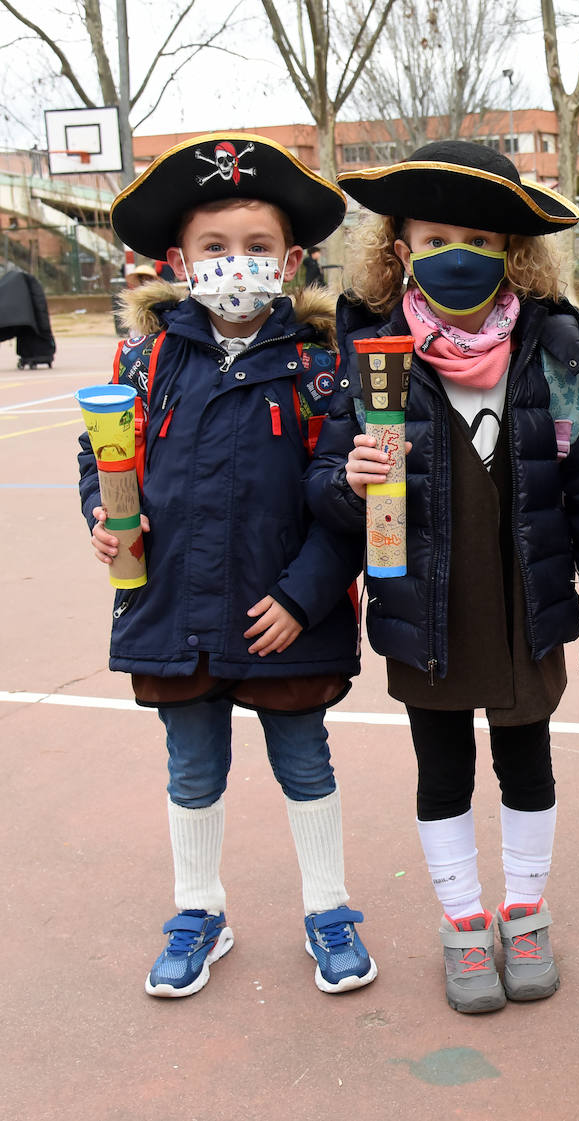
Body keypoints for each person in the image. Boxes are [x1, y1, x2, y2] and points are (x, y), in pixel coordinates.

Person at [306, 141, 579, 1014]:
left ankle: (523, 914)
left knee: (528, 761)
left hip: (527, 603)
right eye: (435, 234)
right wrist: (347, 481)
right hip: (425, 607)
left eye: (478, 238)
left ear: (512, 252)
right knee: (442, 771)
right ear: (399, 245)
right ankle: (462, 922)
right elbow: (325, 492)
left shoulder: (554, 352)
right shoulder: (374, 357)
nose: (456, 253)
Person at [81, 133, 376, 999]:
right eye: (215, 248)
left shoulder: (327, 367)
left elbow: (352, 502)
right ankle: (198, 910)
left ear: (290, 261)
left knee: (305, 760)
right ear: (179, 260)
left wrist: (302, 595)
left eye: (255, 249)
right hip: (175, 607)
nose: (235, 264)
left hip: (287, 614)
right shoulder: (146, 361)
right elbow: (101, 463)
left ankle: (329, 908)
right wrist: (103, 515)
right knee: (192, 766)